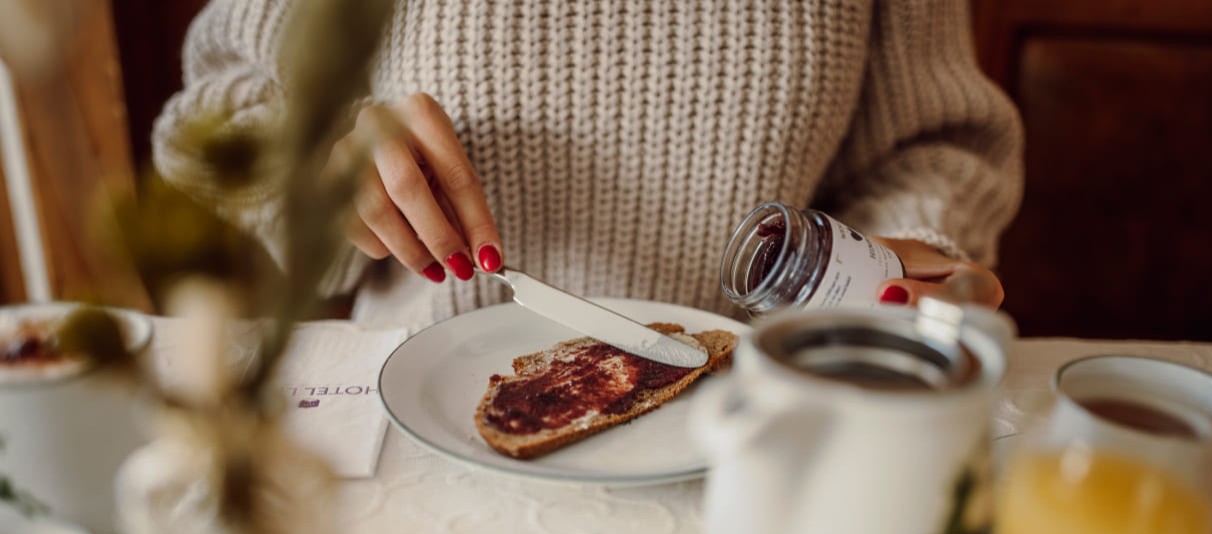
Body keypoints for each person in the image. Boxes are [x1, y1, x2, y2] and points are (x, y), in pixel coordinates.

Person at [152, 0, 1023, 330]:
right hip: (428, 428)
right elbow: (211, 117)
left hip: (748, 437)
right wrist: (322, 168)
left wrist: (906, 253)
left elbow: (932, 144)